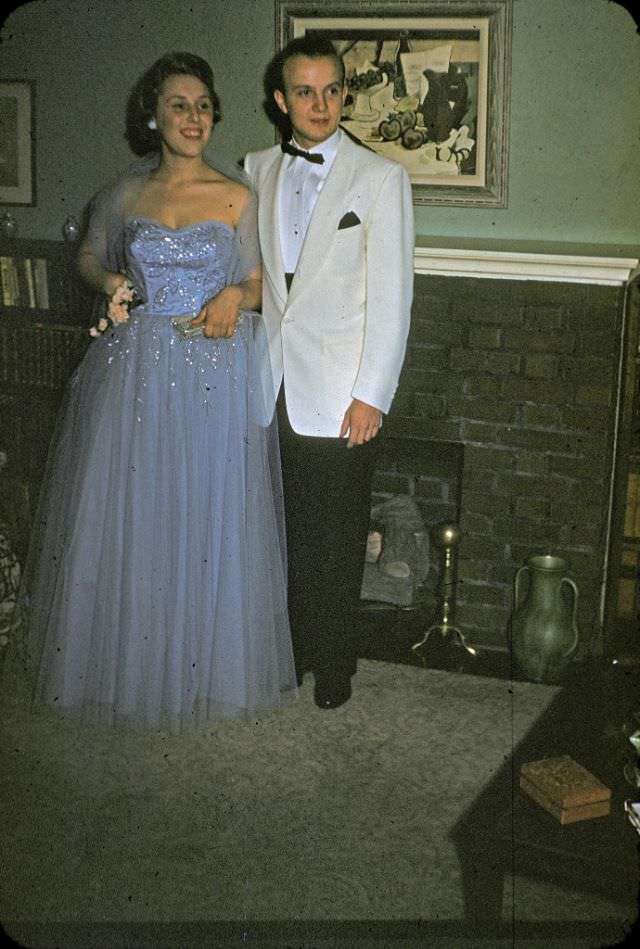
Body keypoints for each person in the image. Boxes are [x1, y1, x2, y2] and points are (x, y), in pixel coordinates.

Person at [20, 52, 297, 730]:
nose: (194, 117)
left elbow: (264, 281)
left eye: (203, 105)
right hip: (136, 368)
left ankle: (204, 665)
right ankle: (131, 661)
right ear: (154, 116)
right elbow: (90, 253)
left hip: (212, 367)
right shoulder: (125, 192)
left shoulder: (238, 196)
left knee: (206, 513)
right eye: (179, 104)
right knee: (136, 513)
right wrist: (108, 282)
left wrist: (236, 290)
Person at [244, 36, 414, 709]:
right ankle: (288, 651)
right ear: (281, 101)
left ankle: (335, 664)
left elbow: (394, 298)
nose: (320, 105)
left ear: (345, 93)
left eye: (332, 90)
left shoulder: (378, 179)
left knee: (337, 538)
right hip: (269, 383)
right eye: (304, 92)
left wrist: (372, 394)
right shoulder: (255, 168)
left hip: (342, 394)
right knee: (281, 530)